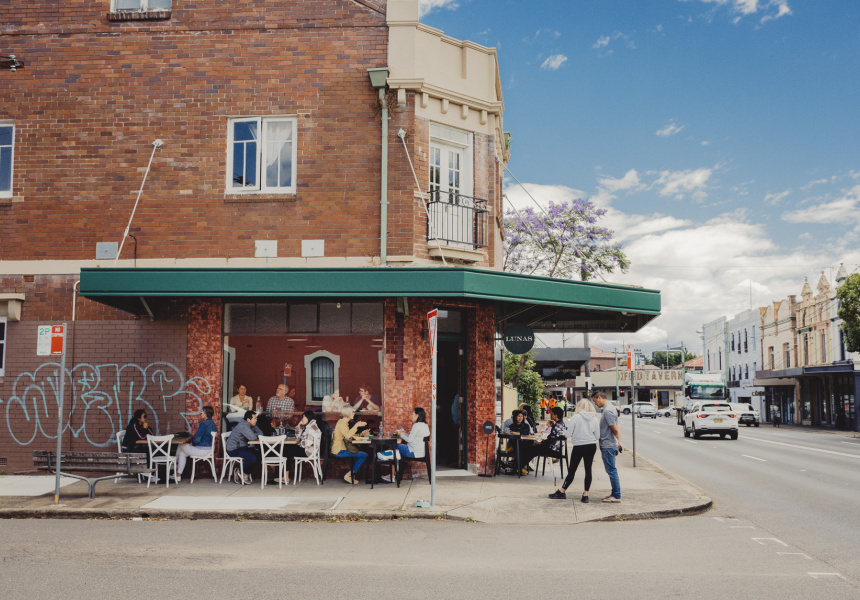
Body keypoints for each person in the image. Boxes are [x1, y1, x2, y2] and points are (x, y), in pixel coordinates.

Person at [549, 398, 600, 501]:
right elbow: (597, 435)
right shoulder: (594, 419)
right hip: (591, 445)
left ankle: (562, 491)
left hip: (579, 446)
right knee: (588, 469)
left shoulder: (575, 418)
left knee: (572, 470)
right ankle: (585, 495)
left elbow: (567, 434)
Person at [592, 391, 622, 502]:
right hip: (610, 444)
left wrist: (616, 441)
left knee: (612, 471)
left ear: (599, 398)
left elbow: (614, 428)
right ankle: (614, 493)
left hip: (608, 445)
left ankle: (616, 496)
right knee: (611, 470)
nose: (595, 404)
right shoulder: (610, 408)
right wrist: (618, 442)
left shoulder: (608, 411)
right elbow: (617, 427)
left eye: (595, 401)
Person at [175, 405, 218, 482]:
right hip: (210, 449)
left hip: (202, 450)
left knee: (180, 445)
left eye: (201, 413)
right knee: (182, 453)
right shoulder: (213, 424)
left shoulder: (203, 424)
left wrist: (193, 443)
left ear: (206, 414)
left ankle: (174, 465)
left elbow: (197, 439)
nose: (200, 414)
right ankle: (178, 475)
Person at [520, 407, 567, 475]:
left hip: (553, 450)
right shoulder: (562, 424)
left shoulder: (556, 426)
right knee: (533, 447)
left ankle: (519, 466)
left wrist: (541, 443)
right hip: (556, 449)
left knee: (531, 448)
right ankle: (521, 466)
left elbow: (551, 440)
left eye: (552, 414)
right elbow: (551, 439)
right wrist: (542, 443)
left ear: (556, 415)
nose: (551, 415)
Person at [332, 406, 368, 484]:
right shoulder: (342, 424)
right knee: (364, 455)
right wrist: (356, 425)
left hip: (340, 449)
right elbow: (348, 435)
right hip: (339, 451)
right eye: (352, 412)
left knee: (362, 454)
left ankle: (351, 474)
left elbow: (347, 437)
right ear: (348, 414)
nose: (354, 413)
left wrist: (360, 434)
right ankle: (349, 475)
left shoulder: (342, 422)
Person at [225, 410, 263, 485]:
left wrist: (253, 434)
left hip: (242, 447)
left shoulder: (252, 425)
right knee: (253, 458)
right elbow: (252, 438)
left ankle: (244, 472)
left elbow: (261, 433)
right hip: (234, 450)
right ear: (248, 420)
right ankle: (239, 471)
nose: (256, 420)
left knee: (259, 455)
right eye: (255, 418)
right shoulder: (243, 426)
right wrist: (254, 435)